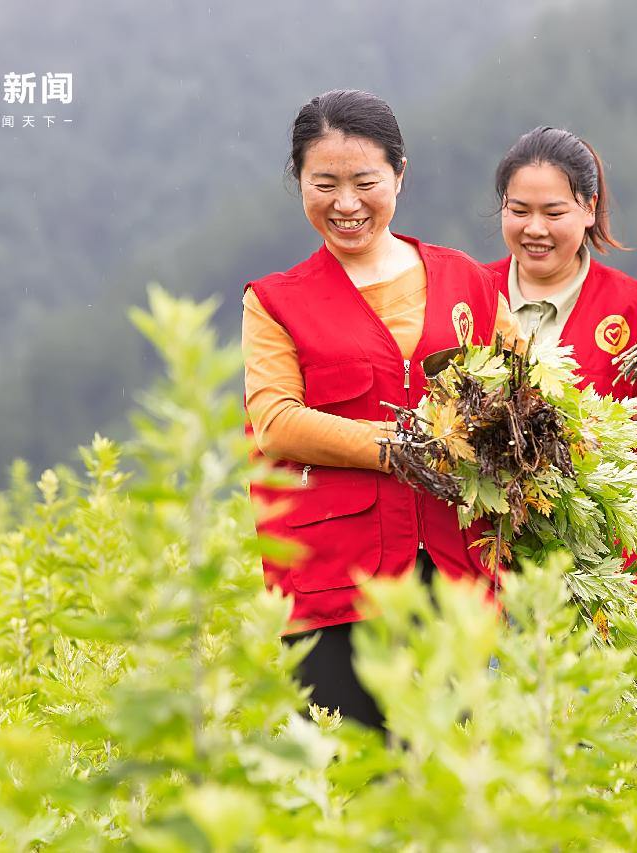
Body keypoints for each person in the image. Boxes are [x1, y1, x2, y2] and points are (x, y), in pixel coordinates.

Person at [242, 90, 523, 729]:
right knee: (355, 781)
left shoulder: (468, 283)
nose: (346, 204)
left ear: (400, 174)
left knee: (463, 771)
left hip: (458, 567)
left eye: (366, 181)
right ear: (299, 184)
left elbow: (524, 394)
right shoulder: (275, 302)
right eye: (325, 184)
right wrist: (400, 447)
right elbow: (278, 423)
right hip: (337, 584)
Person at [487, 127, 637, 582]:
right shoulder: (469, 293)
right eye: (519, 211)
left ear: (588, 208)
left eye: (554, 212)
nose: (535, 229)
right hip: (489, 554)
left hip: (596, 560)